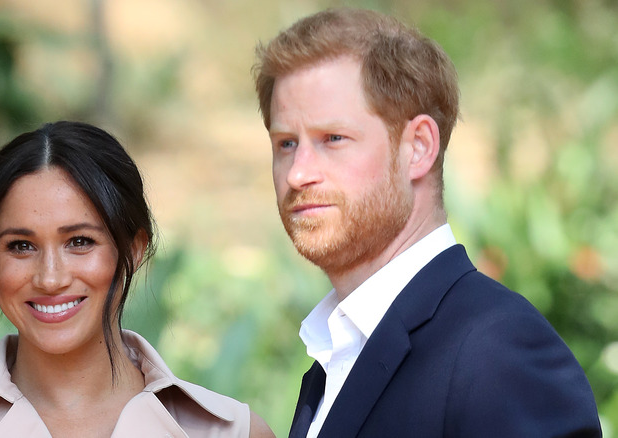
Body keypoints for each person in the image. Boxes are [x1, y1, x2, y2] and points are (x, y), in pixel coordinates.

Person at [252, 8, 601, 438]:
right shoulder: (336, 356)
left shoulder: (499, 352)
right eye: (286, 144)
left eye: (333, 139)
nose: (297, 173)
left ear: (418, 147)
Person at [0, 121, 274, 438]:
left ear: (134, 249)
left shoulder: (232, 431)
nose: (50, 278)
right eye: (20, 246)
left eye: (80, 242)